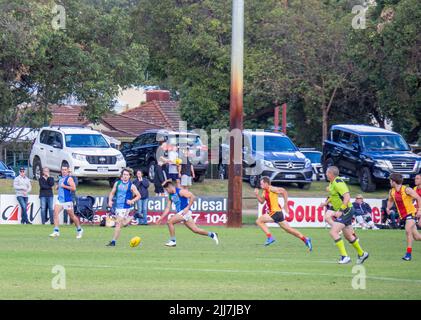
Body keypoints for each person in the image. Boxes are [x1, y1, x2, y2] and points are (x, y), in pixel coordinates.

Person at [254, 176, 312, 251]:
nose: (260, 185)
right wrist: (257, 195)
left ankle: (270, 237)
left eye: (261, 184)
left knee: (259, 221)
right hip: (277, 213)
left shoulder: (272, 188)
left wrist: (285, 204)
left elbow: (284, 191)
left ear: (266, 183)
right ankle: (306, 239)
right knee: (289, 230)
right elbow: (261, 202)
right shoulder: (265, 191)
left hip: (275, 212)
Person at [325, 166, 369, 264]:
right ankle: (362, 254)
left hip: (346, 211)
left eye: (327, 173)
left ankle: (345, 257)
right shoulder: (332, 183)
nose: (326, 174)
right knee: (348, 236)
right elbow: (334, 196)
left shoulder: (338, 183)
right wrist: (325, 203)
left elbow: (347, 196)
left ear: (331, 174)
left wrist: (341, 210)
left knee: (333, 232)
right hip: (345, 211)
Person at [155, 180, 219, 247]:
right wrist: (160, 218)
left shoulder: (180, 191)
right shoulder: (170, 196)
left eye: (166, 189)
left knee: (169, 222)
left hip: (186, 212)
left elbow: (192, 196)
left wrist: (187, 208)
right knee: (195, 230)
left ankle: (173, 241)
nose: (166, 191)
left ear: (170, 187)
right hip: (182, 213)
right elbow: (167, 208)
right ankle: (212, 234)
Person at [386, 173, 421, 261]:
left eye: (390, 180)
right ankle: (408, 254)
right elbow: (390, 200)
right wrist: (388, 208)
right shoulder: (391, 191)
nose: (390, 182)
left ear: (394, 181)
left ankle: (408, 254)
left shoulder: (407, 189)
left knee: (407, 230)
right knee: (417, 237)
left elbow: (418, 198)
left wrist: (419, 210)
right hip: (404, 216)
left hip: (411, 213)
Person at [106, 168, 141, 247]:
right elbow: (112, 193)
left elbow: (139, 196)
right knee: (122, 224)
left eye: (127, 175)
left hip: (125, 207)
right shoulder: (117, 183)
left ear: (129, 176)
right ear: (121, 175)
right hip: (117, 206)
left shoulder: (132, 186)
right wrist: (110, 201)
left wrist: (132, 201)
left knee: (118, 224)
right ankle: (134, 216)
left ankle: (113, 242)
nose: (125, 176)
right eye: (124, 174)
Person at [49, 165, 83, 239]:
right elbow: (58, 187)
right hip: (60, 200)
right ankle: (56, 231)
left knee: (72, 216)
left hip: (67, 201)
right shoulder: (61, 178)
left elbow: (74, 188)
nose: (64, 171)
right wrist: (57, 187)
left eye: (65, 170)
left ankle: (79, 229)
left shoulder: (69, 178)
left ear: (68, 171)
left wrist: (64, 186)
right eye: (62, 170)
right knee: (55, 213)